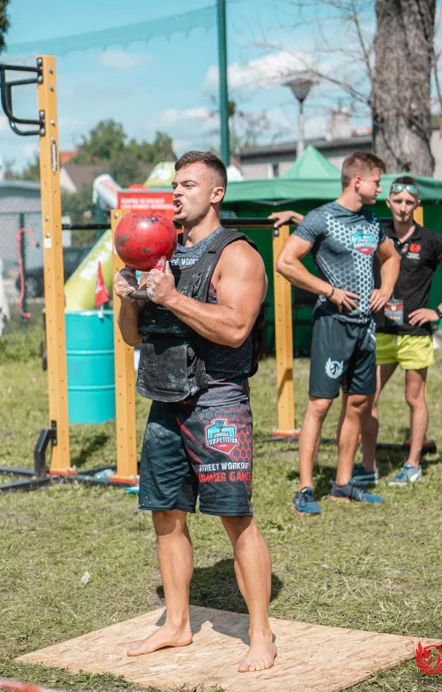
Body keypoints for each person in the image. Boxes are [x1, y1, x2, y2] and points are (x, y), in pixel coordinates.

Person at [113, 150, 276, 672]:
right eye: (174, 185)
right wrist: (130, 300)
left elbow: (234, 329)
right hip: (165, 398)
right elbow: (134, 337)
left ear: (216, 194)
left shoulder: (238, 255)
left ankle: (261, 633)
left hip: (217, 399)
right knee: (165, 516)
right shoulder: (162, 254)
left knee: (236, 519)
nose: (176, 193)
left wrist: (173, 298)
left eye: (188, 185)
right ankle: (177, 625)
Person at [275, 152, 400, 514]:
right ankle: (304, 488)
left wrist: (386, 289)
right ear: (357, 181)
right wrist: (328, 291)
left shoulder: (372, 221)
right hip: (332, 324)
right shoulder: (322, 217)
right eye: (377, 180)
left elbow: (390, 258)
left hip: (366, 327)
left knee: (359, 403)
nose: (381, 187)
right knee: (320, 405)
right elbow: (286, 261)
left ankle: (343, 484)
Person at [355, 176, 442, 486]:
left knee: (414, 398)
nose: (402, 208)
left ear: (417, 205)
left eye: (408, 203)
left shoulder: (430, 240)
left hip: (415, 334)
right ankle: (368, 465)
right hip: (382, 331)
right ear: (388, 203)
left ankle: (413, 464)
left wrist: (438, 312)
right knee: (367, 397)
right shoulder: (376, 235)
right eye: (397, 201)